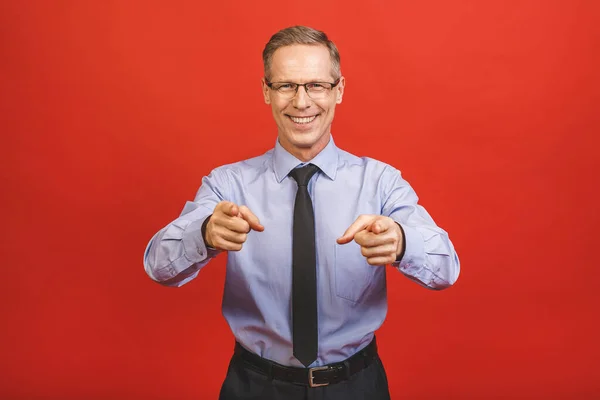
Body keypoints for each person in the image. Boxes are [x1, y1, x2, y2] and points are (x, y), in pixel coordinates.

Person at [144, 25, 460, 400]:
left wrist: (404, 242)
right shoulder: (228, 185)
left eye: (316, 85)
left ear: (338, 90)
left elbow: (446, 269)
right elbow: (158, 267)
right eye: (286, 86)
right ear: (266, 91)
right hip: (254, 387)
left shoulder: (381, 183)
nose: (301, 101)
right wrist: (205, 234)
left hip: (357, 386)